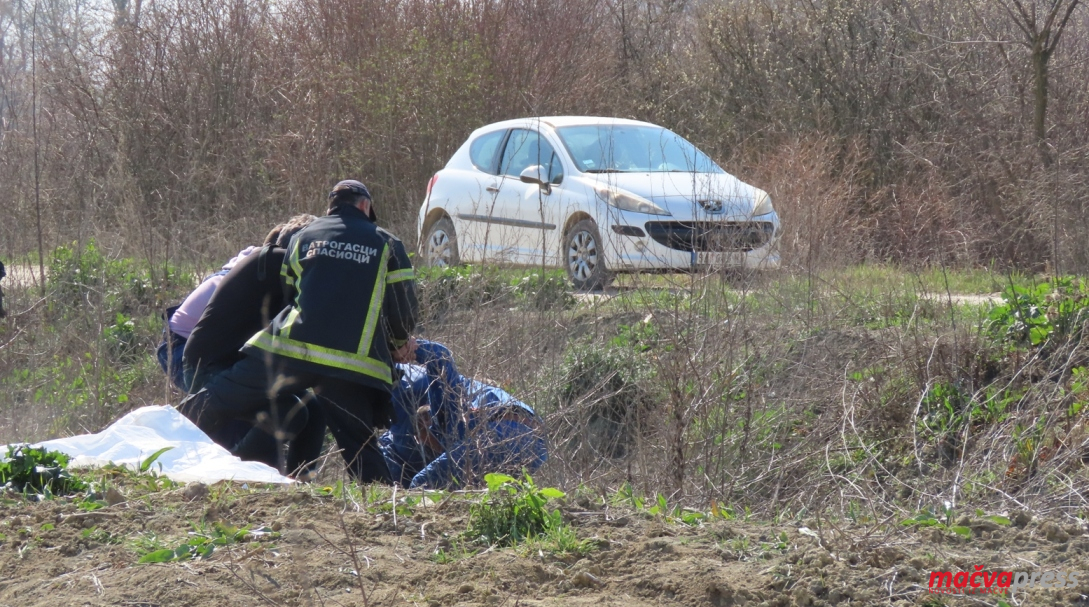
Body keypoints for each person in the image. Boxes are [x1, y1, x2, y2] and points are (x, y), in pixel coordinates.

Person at [179, 179, 418, 483]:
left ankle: (154, 442)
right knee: (359, 445)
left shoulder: (304, 236)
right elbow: (402, 308)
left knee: (217, 400)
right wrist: (397, 343)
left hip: (291, 351)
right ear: (365, 206)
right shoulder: (387, 242)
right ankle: (385, 505)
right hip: (350, 365)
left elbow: (291, 293)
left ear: (330, 207)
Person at [177, 214, 321, 473]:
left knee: (307, 408)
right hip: (210, 368)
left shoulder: (269, 264)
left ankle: (296, 481)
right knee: (294, 411)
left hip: (227, 364)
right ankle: (237, 470)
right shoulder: (274, 264)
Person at [380, 339, 547, 489]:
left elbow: (440, 356)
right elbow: (392, 446)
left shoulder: (410, 387)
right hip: (536, 445)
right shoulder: (449, 391)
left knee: (421, 488)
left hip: (504, 432)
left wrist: (411, 347)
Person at [157, 246, 260, 390]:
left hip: (188, 345)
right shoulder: (246, 280)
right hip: (179, 349)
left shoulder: (240, 268)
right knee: (236, 392)